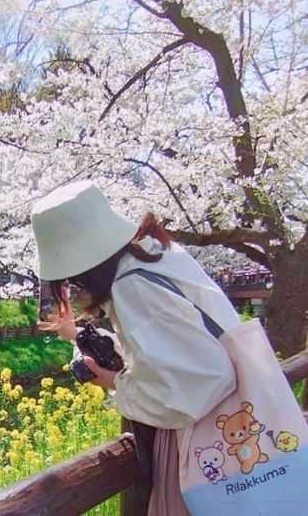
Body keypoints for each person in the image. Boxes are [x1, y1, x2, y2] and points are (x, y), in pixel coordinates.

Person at [31, 181, 241, 515]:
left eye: (72, 278)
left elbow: (200, 385)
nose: (74, 287)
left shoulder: (132, 286)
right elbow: (166, 348)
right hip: (234, 431)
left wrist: (114, 383)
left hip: (207, 444)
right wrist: (76, 335)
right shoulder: (155, 254)